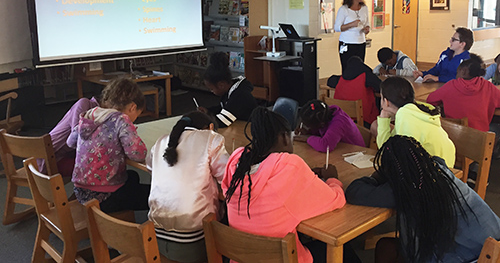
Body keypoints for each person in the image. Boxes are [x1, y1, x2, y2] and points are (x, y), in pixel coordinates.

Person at [222, 107, 350, 263]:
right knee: (346, 251)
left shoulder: (236, 163)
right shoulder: (289, 165)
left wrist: (305, 175)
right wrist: (332, 179)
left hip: (241, 257)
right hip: (284, 258)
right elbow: (336, 200)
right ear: (284, 137)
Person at [345, 135, 500, 263]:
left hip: (470, 257)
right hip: (492, 248)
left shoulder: (407, 187)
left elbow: (354, 192)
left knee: (386, 248)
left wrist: (376, 178)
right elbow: (439, 160)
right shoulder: (438, 171)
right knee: (390, 246)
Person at [147, 111, 229, 263]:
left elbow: (151, 168)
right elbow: (229, 178)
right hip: (193, 239)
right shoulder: (211, 139)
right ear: (210, 126)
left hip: (154, 237)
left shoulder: (160, 142)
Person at [67, 78, 150, 213]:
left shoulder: (90, 114)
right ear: (132, 107)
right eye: (137, 115)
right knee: (156, 196)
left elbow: (70, 142)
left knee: (132, 176)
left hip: (81, 192)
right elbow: (138, 154)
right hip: (104, 198)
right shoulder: (121, 120)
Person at [374, 76, 455, 167]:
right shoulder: (414, 111)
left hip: (435, 172)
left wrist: (383, 119)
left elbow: (388, 153)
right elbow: (389, 147)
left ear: (386, 101)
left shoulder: (405, 115)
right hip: (445, 166)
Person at [427, 53, 500, 132]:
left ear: (463, 72)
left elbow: (430, 99)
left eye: (457, 71)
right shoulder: (488, 86)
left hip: (453, 134)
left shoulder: (451, 85)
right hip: (480, 137)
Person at [37, 96, 99, 177]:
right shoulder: (85, 104)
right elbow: (77, 138)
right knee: (101, 167)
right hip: (52, 159)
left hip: (61, 155)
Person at [199, 52, 257, 127]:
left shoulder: (239, 95)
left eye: (212, 89)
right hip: (240, 125)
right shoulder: (231, 90)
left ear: (221, 85)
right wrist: (208, 111)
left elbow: (222, 122)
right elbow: (224, 108)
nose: (211, 91)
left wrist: (201, 119)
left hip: (250, 128)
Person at [295, 99, 365, 152]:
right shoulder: (324, 114)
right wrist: (309, 132)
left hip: (357, 156)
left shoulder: (339, 121)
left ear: (321, 124)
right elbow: (323, 132)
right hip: (340, 151)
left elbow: (326, 146)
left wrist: (308, 139)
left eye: (308, 125)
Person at [328, 56, 381, 125]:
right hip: (365, 119)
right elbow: (381, 86)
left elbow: (329, 81)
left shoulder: (341, 78)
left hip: (342, 116)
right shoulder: (366, 76)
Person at [334, 0, 370, 72]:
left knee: (359, 69)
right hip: (347, 43)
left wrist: (367, 29)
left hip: (361, 42)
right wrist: (351, 24)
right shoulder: (344, 9)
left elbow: (367, 23)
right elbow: (337, 27)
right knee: (347, 68)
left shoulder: (364, 8)